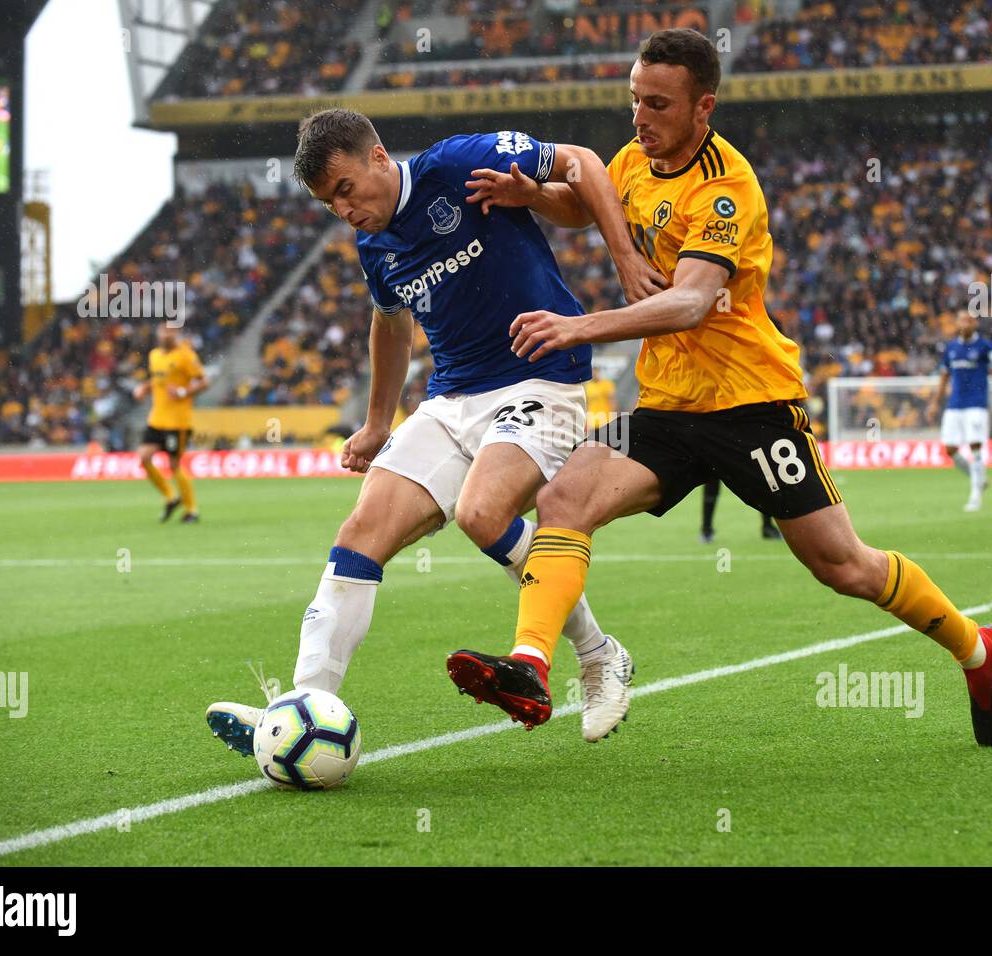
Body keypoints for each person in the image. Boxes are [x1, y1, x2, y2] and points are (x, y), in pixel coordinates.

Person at [451, 28, 992, 747]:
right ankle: (532, 663)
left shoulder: (726, 187)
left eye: (657, 104)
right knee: (564, 498)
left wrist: (577, 326)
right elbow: (594, 203)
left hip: (751, 406)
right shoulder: (636, 159)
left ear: (703, 108)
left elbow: (689, 302)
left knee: (844, 566)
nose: (639, 118)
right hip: (665, 407)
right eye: (633, 100)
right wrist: (532, 192)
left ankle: (978, 648)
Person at [207, 109, 667, 750]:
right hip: (450, 400)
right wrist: (375, 423)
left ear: (377, 156)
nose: (344, 209)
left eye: (345, 189)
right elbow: (389, 323)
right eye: (327, 203)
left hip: (541, 378)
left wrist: (623, 258)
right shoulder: (372, 245)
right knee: (358, 537)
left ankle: (597, 655)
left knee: (483, 513)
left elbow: (583, 163)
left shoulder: (455, 164)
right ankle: (303, 705)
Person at [928, 312, 992, 512]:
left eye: (969, 320)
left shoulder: (985, 347)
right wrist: (934, 403)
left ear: (975, 324)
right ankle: (979, 478)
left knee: (975, 447)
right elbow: (944, 378)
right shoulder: (951, 348)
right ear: (956, 323)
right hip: (955, 405)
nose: (965, 323)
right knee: (950, 449)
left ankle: (975, 496)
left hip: (976, 404)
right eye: (961, 320)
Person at [133, 325, 206, 523]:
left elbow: (203, 381)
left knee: (174, 465)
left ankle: (192, 510)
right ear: (158, 333)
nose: (167, 334)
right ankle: (171, 497)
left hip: (177, 422)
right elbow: (158, 381)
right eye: (164, 331)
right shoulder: (154, 355)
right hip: (157, 418)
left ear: (177, 334)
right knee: (143, 457)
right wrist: (144, 388)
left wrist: (183, 392)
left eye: (171, 331)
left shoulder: (185, 355)